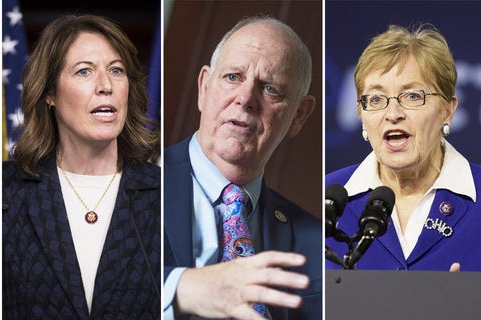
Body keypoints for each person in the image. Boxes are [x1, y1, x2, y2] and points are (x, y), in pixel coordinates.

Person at [2, 14, 160, 319]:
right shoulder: (6, 193)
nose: (105, 85)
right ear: (49, 93)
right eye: (84, 71)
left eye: (116, 70)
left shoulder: (166, 195)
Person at [164, 15, 321, 320]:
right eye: (233, 77)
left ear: (299, 115)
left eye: (270, 89)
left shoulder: (319, 244)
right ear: (204, 87)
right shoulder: (132, 184)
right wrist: (182, 287)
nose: (246, 98)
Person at [325, 24, 481, 271]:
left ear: (448, 110)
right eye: (376, 99)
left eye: (412, 96)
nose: (393, 113)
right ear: (361, 113)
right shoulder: (326, 200)